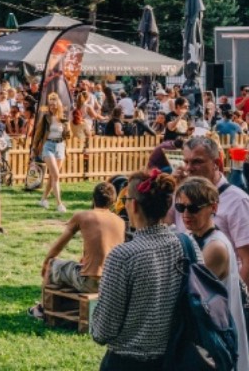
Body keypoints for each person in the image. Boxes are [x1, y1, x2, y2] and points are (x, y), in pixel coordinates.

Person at [90, 169, 185, 371]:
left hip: (126, 361)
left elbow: (103, 330)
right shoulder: (186, 246)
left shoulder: (123, 256)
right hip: (174, 358)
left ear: (132, 205)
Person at [175, 176, 249, 371]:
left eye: (193, 208)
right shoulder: (195, 237)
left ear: (214, 208)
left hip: (216, 333)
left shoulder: (215, 247)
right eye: (180, 208)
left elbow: (187, 290)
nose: (186, 214)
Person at [177, 135, 249, 295]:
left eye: (197, 162)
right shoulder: (183, 199)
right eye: (186, 162)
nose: (189, 168)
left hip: (224, 297)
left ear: (216, 164)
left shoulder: (238, 201)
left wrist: (241, 309)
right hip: (192, 294)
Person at [27, 181, 124, 319]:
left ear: (93, 198)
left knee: (53, 265)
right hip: (112, 283)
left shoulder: (83, 216)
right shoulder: (120, 222)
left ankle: (42, 309)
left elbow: (59, 245)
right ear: (113, 201)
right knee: (76, 267)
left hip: (90, 281)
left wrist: (46, 262)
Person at [30, 93, 69, 213]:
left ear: (59, 105)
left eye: (54, 105)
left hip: (60, 146)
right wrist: (34, 148)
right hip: (48, 146)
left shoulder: (64, 118)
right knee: (56, 175)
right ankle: (59, 204)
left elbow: (68, 136)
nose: (52, 107)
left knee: (53, 176)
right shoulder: (46, 118)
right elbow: (38, 134)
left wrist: (67, 129)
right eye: (50, 105)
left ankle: (43, 200)